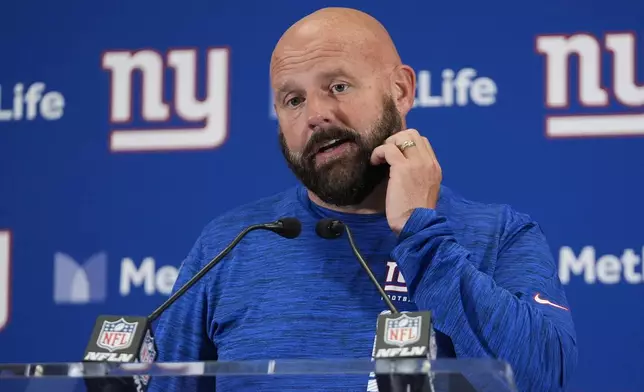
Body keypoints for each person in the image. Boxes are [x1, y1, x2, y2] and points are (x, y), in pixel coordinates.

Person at [148, 7, 577, 392]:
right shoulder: (229, 243)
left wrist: (421, 232)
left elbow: (543, 379)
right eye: (293, 100)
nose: (315, 114)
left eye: (338, 86)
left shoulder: (500, 235)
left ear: (401, 90)